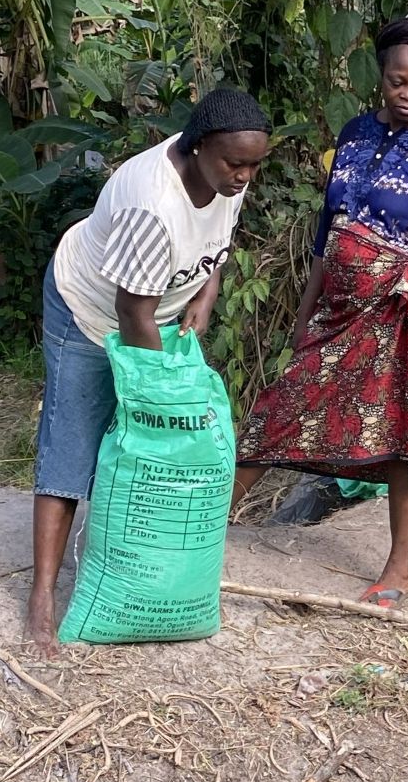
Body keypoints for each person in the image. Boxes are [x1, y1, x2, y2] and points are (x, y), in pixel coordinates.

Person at [229, 17, 408, 606]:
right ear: (382, 78)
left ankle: (399, 567)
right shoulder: (355, 134)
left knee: (405, 436)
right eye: (398, 82)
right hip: (339, 309)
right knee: (282, 404)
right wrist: (304, 313)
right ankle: (207, 526)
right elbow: (329, 230)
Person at [27, 87, 272, 653]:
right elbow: (130, 311)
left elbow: (216, 246)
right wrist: (162, 387)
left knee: (149, 442)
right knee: (70, 444)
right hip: (88, 315)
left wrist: (205, 296)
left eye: (254, 165)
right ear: (199, 146)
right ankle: (42, 600)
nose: (244, 178)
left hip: (159, 314)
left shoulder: (225, 176)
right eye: (235, 164)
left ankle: (132, 575)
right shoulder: (150, 203)